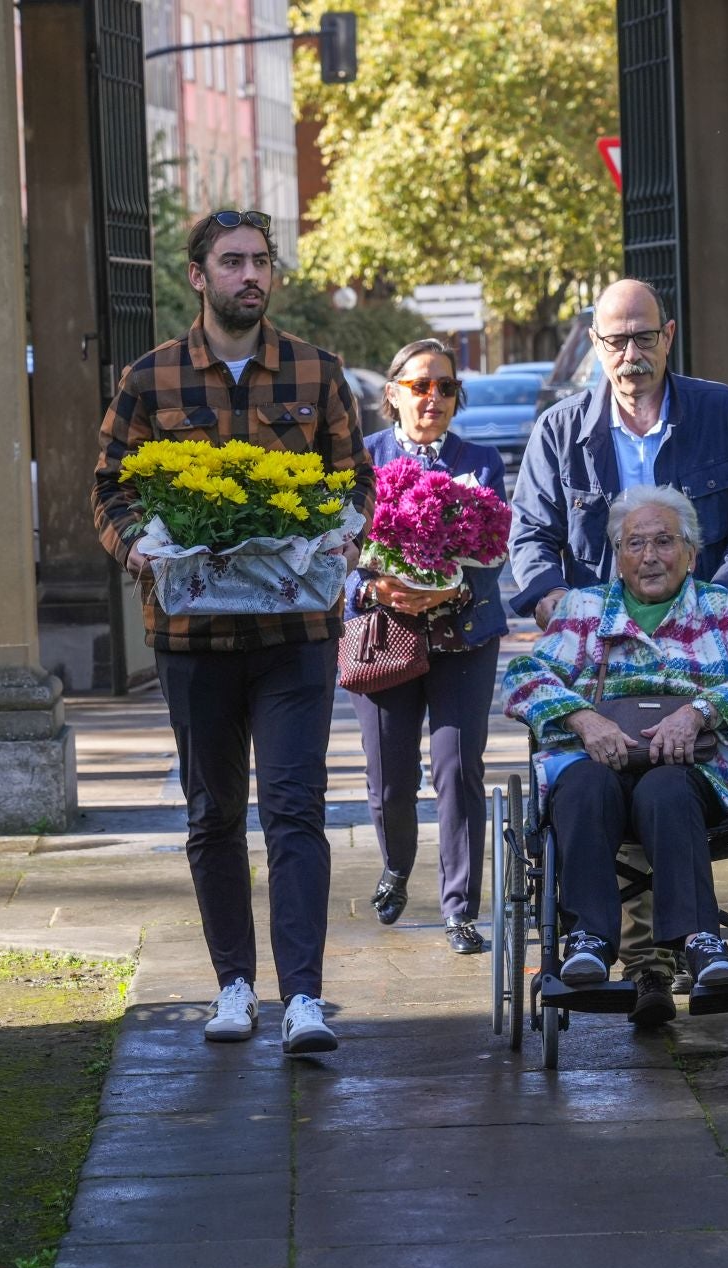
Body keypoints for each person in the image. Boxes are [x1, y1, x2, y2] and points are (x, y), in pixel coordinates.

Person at [90, 209, 370, 1056]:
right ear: (199, 276)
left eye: (261, 261)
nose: (251, 275)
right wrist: (138, 546)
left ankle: (305, 999)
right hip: (194, 637)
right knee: (214, 814)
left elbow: (355, 483)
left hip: (295, 633)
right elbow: (111, 486)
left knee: (295, 808)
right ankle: (234, 986)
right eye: (233, 261)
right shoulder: (151, 378)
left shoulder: (317, 374)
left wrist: (343, 535)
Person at [507, 277, 728, 1028]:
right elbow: (529, 539)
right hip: (597, 667)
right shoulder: (563, 430)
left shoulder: (719, 414)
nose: (631, 354)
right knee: (592, 787)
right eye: (615, 341)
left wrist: (715, 602)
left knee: (667, 788)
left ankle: (670, 956)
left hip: (693, 665)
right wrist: (557, 605)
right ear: (596, 349)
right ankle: (622, 953)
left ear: (668, 337)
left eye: (643, 337)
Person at [503, 485, 728, 990]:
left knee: (665, 787)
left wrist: (701, 712)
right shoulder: (583, 609)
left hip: (694, 774)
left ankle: (700, 940)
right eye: (635, 544)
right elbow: (523, 677)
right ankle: (589, 941)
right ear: (617, 555)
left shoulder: (719, 608)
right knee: (583, 786)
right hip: (599, 763)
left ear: (691, 552)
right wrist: (582, 718)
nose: (650, 556)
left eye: (665, 542)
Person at [345, 339, 508, 955]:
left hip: (463, 637)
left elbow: (494, 548)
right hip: (385, 635)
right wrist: (375, 583)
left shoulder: (481, 462)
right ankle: (395, 867)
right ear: (392, 394)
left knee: (457, 766)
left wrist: (449, 587)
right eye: (420, 386)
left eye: (445, 387)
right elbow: (337, 547)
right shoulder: (362, 460)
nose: (433, 397)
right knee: (389, 775)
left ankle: (461, 908)